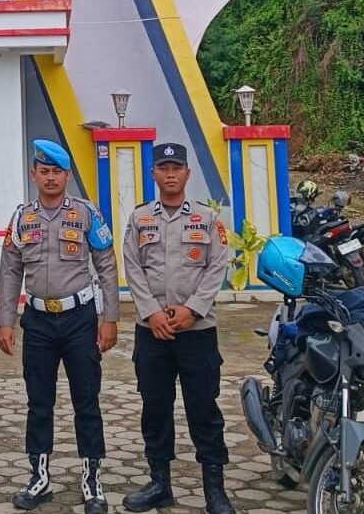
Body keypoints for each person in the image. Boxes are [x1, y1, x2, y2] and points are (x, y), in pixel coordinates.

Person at [0, 139, 120, 514]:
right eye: (44, 171)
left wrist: (110, 318)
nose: (50, 178)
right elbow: (10, 270)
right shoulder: (22, 218)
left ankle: (92, 479)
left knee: (87, 400)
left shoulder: (86, 213)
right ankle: (39, 477)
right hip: (37, 321)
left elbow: (107, 264)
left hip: (80, 319)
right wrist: (5, 321)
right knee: (39, 401)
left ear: (67, 176)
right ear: (33, 174)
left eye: (57, 172)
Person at [120, 143, 235, 514]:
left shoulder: (207, 218)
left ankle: (215, 490)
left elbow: (217, 267)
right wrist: (152, 313)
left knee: (204, 410)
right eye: (163, 167)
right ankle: (160, 484)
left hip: (197, 333)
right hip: (152, 332)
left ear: (187, 173)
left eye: (176, 167)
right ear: (153, 173)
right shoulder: (140, 218)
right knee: (155, 408)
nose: (170, 174)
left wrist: (192, 310)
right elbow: (132, 267)